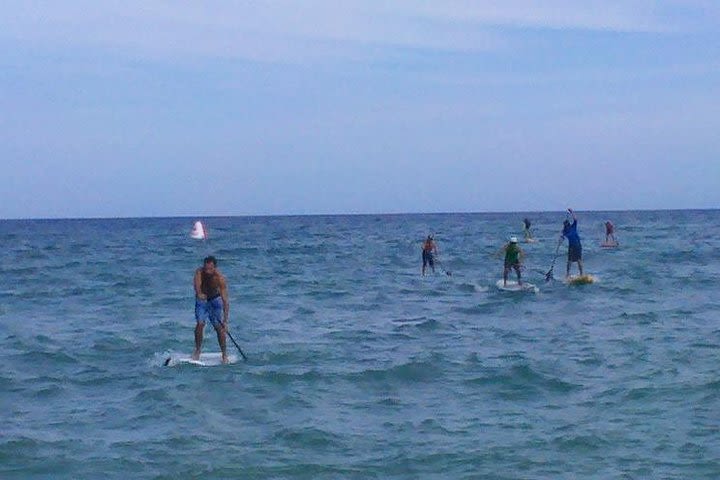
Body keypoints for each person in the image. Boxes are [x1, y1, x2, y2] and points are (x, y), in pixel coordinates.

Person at [193, 256, 230, 364]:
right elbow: (197, 287)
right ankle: (197, 350)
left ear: (215, 268)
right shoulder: (199, 272)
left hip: (215, 300)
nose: (208, 271)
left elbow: (225, 302)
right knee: (200, 324)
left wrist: (225, 321)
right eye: (206, 269)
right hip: (202, 301)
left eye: (210, 269)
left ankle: (224, 354)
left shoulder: (220, 279)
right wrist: (200, 294)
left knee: (219, 328)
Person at [561, 208, 584, 277]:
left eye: (567, 224)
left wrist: (572, 212)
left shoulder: (573, 226)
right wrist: (561, 239)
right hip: (571, 246)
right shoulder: (565, 231)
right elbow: (562, 236)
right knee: (569, 261)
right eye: (565, 225)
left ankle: (581, 274)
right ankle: (567, 274)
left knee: (579, 260)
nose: (566, 226)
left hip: (577, 245)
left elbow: (575, 219)